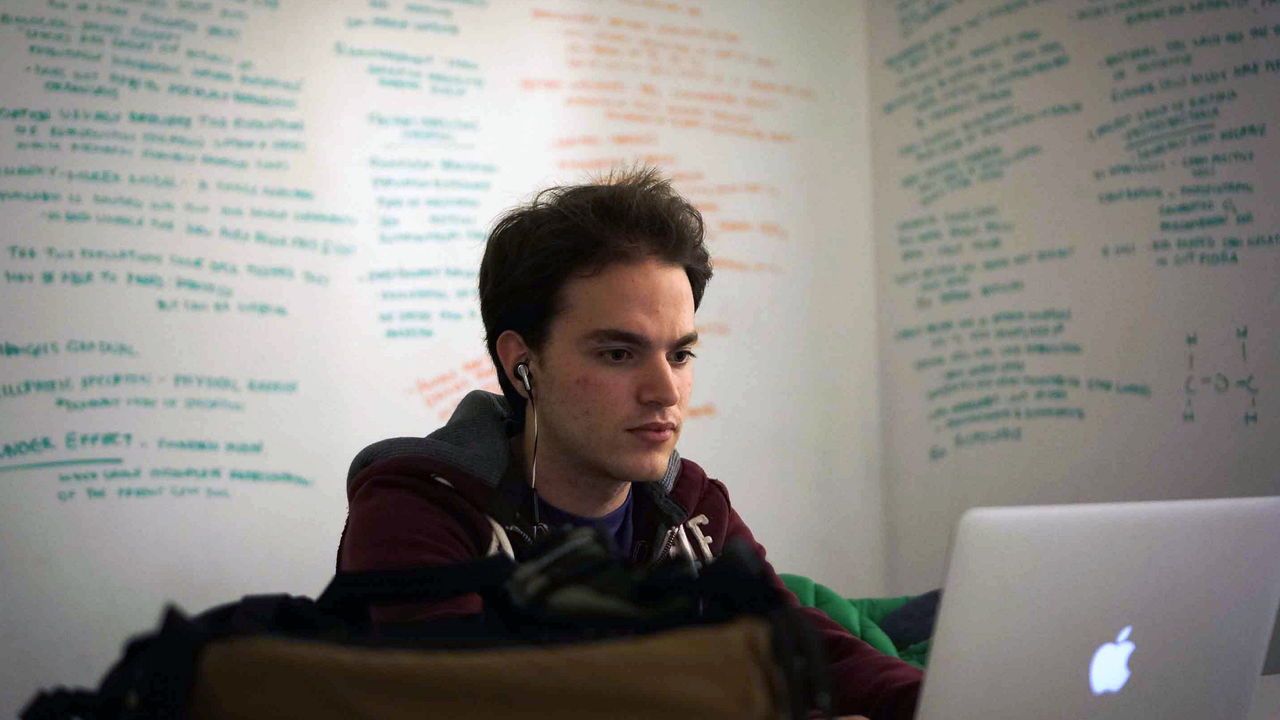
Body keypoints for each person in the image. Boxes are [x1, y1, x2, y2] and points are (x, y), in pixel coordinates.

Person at [337, 167, 922, 719]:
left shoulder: (689, 509)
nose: (665, 391)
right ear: (522, 365)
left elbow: (807, 652)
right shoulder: (418, 509)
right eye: (619, 354)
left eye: (681, 354)